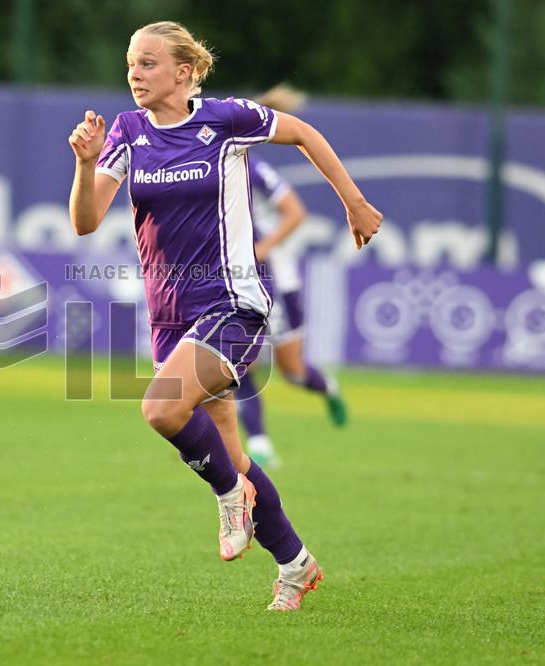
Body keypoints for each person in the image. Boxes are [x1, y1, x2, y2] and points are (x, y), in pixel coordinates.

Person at [67, 21, 381, 612]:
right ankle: (295, 564)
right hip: (168, 317)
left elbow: (305, 134)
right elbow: (85, 222)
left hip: (232, 303)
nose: (135, 73)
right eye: (131, 63)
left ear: (184, 72)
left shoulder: (225, 120)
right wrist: (85, 166)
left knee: (161, 407)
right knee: (234, 455)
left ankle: (230, 495)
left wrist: (354, 201)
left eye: (149, 63)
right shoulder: (128, 133)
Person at [234, 85, 349, 469]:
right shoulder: (210, 171)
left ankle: (327, 387)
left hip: (277, 281)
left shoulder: (255, 170)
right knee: (238, 362)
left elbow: (295, 212)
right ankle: (260, 443)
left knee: (293, 372)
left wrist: (263, 248)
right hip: (237, 278)